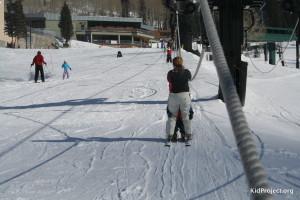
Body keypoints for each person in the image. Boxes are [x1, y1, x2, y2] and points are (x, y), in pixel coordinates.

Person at [166, 56, 192, 145]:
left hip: (174, 95)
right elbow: (190, 77)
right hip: (184, 95)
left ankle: (170, 134)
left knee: (172, 116)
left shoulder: (170, 73)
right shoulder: (187, 72)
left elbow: (169, 80)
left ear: (173, 64)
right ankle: (187, 133)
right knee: (186, 115)